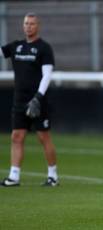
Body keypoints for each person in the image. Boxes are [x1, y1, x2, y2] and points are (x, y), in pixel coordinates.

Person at [0, 13, 58, 187]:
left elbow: (47, 75)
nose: (28, 26)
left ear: (37, 26)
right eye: (26, 23)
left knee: (43, 137)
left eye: (32, 24)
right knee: (17, 136)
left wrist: (38, 98)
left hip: (38, 101)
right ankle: (14, 176)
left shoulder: (44, 48)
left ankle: (53, 176)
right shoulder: (16, 46)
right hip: (19, 100)